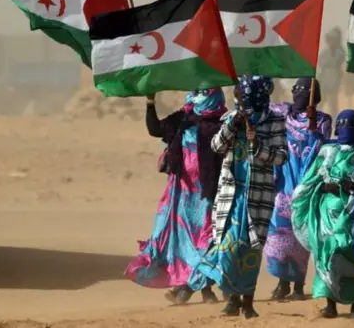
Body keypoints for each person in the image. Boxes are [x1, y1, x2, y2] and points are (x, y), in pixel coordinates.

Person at [198, 75, 288, 319]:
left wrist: (257, 145)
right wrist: (233, 122)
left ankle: (247, 301)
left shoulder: (275, 120)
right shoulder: (230, 118)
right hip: (231, 195)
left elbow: (281, 157)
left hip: (258, 197)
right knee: (227, 248)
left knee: (249, 251)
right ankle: (232, 297)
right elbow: (217, 146)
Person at [125, 89, 226, 304]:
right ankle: (199, 289)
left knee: (206, 241)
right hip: (181, 195)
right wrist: (150, 102)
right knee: (181, 243)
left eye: (203, 92)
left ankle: (194, 289)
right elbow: (155, 130)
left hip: (208, 196)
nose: (196, 96)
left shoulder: (224, 126)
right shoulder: (183, 120)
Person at [291, 109, 354, 319]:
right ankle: (330, 305)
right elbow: (312, 179)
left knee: (353, 253)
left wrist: (352, 186)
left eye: (350, 123)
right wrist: (323, 188)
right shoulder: (327, 149)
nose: (345, 127)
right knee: (326, 254)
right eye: (341, 123)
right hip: (326, 213)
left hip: (352, 211)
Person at [265, 77, 332, 300]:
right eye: (297, 91)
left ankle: (298, 287)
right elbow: (261, 108)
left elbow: (321, 147)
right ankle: (282, 283)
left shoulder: (323, 120)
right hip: (284, 184)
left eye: (304, 92)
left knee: (302, 237)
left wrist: (313, 126)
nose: (299, 96)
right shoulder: (283, 114)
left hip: (306, 186)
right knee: (279, 236)